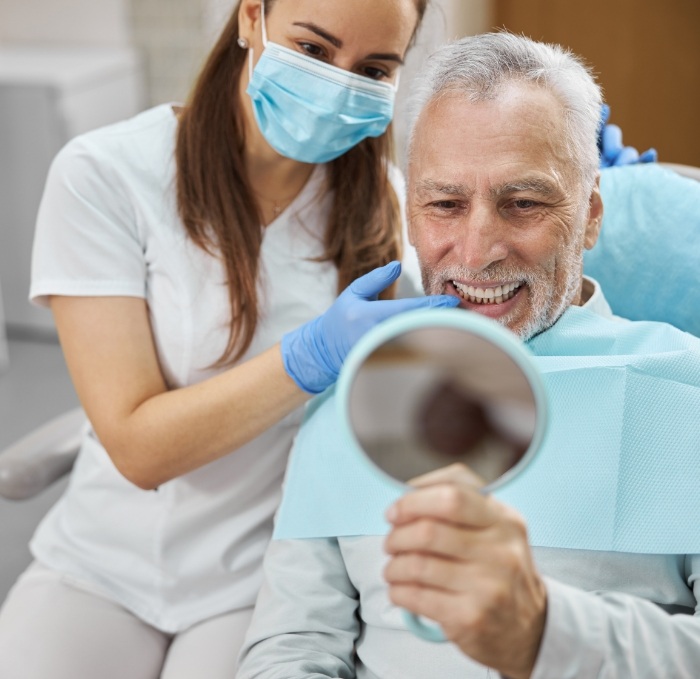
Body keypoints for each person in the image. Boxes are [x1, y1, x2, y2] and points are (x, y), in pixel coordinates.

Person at [0, 2, 463, 678]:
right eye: (312, 49)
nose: (338, 83)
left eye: (372, 69)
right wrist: (311, 358)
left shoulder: (387, 213)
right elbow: (137, 446)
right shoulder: (107, 174)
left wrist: (574, 185)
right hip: (102, 561)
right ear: (252, 17)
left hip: (264, 574)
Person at [236, 33, 700, 679]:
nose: (478, 249)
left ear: (590, 215)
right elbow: (291, 647)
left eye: (524, 203)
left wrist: (544, 632)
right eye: (446, 204)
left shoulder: (689, 394)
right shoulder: (348, 402)